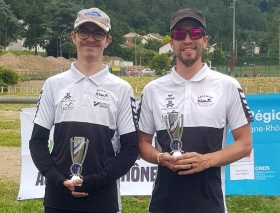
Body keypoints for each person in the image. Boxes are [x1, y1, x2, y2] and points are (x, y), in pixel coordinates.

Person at [138, 8, 253, 213]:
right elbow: (142, 143)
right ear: (172, 42)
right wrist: (160, 158)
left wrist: (206, 161)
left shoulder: (227, 85)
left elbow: (244, 143)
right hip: (163, 204)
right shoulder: (153, 90)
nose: (188, 39)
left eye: (195, 33)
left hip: (210, 203)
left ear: (205, 40)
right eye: (180, 34)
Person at [29, 8, 138, 213]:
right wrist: (57, 178)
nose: (90, 38)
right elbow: (37, 142)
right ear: (73, 36)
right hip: (57, 199)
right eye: (84, 32)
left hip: (102, 200)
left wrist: (98, 180)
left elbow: (130, 149)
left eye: (98, 33)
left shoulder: (122, 89)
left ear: (107, 40)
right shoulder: (53, 84)